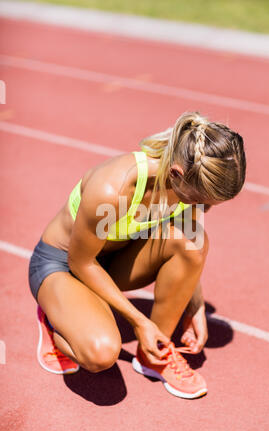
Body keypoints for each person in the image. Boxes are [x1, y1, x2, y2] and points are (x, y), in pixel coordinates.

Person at [28, 110, 246, 399]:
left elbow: (187, 244)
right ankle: (55, 316)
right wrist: (141, 322)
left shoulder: (188, 184)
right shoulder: (113, 188)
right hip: (64, 266)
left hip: (112, 263)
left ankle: (154, 354)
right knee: (101, 354)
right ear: (176, 174)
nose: (205, 208)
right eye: (200, 200)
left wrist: (194, 306)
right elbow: (80, 262)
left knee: (193, 241)